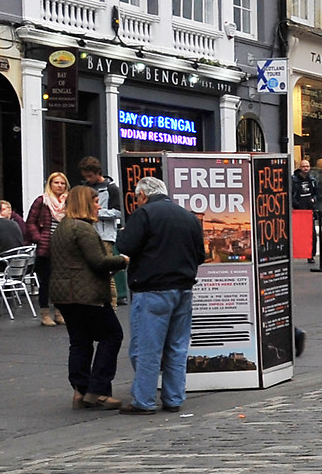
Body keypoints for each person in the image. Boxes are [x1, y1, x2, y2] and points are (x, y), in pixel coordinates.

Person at [116, 175, 205, 414]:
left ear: (143, 195)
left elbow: (125, 246)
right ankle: (174, 398)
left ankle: (143, 400)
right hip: (183, 288)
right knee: (177, 347)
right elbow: (200, 255)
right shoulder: (189, 217)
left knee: (147, 348)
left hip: (152, 289)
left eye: (137, 198)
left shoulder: (144, 214)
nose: (137, 202)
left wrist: (122, 233)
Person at [49, 182, 128, 409]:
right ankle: (98, 390)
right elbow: (98, 261)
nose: (98, 206)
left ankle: (80, 390)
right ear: (85, 203)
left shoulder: (62, 227)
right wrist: (122, 260)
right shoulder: (83, 229)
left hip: (64, 294)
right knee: (112, 335)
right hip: (87, 294)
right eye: (95, 202)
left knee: (80, 342)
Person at [24, 171, 70, 328]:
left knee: (62, 282)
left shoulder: (69, 201)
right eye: (56, 182)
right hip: (46, 248)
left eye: (62, 183)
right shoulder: (42, 201)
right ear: (50, 184)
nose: (59, 186)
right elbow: (30, 222)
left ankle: (59, 312)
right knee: (46, 282)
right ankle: (45, 314)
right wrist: (39, 238)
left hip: (64, 247)